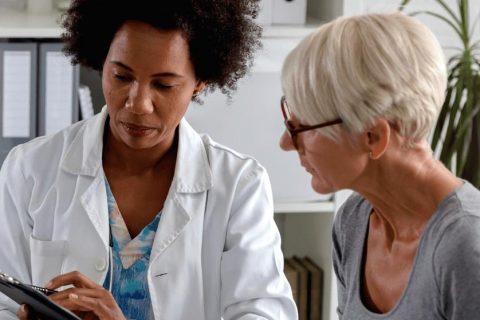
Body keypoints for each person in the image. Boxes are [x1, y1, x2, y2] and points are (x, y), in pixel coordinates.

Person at [0, 0, 297, 319]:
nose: (138, 104)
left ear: (201, 81)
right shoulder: (29, 168)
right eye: (121, 77)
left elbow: (263, 312)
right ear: (101, 62)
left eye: (163, 85)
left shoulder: (240, 185)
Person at [279, 12, 480, 319]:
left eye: (301, 127)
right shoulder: (353, 222)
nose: (285, 142)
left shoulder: (466, 245)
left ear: (373, 137)